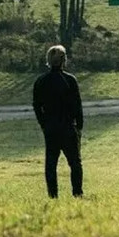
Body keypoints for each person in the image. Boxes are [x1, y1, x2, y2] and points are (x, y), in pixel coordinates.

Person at [32, 44, 83, 198]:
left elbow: (37, 105)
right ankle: (77, 193)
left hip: (51, 128)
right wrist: (79, 126)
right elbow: (77, 105)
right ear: (63, 60)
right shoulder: (69, 80)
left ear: (48, 60)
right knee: (75, 163)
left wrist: (43, 124)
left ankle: (53, 195)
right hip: (68, 127)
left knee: (51, 164)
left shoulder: (41, 81)